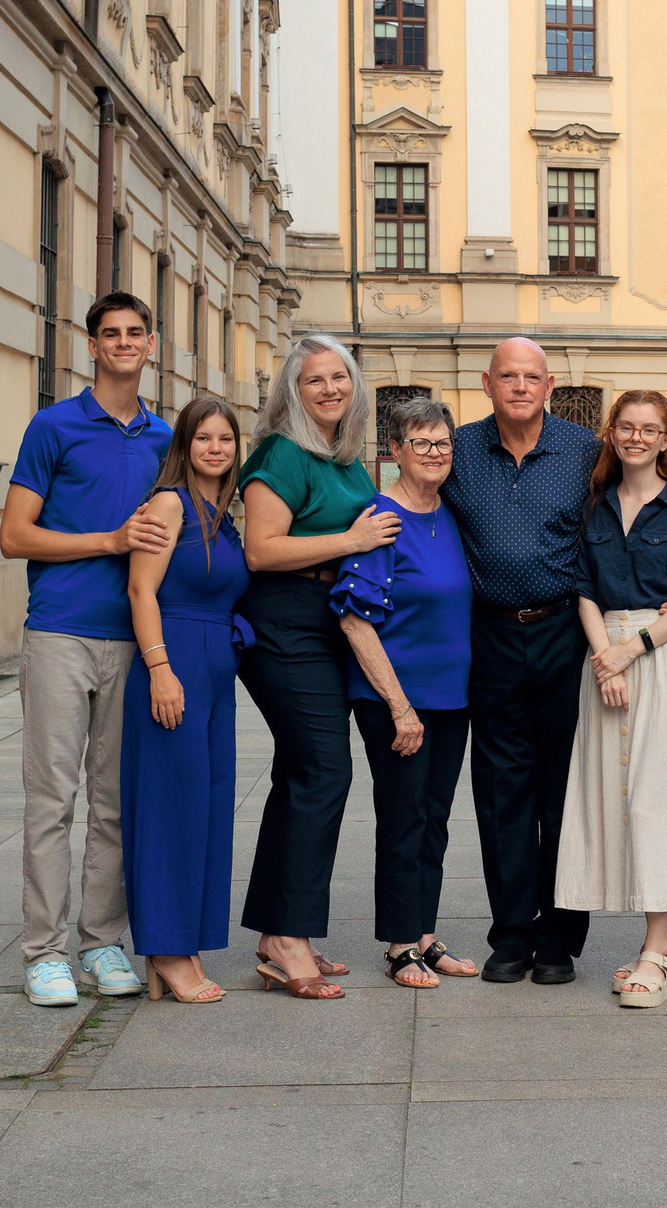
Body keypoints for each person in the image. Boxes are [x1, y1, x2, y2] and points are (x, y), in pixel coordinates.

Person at [0, 290, 167, 1008]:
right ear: (90, 344)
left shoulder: (164, 438)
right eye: (110, 333)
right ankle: (43, 951)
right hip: (61, 631)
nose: (123, 342)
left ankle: (100, 942)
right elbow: (14, 535)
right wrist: (107, 541)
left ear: (150, 344)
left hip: (132, 638)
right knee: (51, 799)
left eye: (135, 332)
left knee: (116, 801)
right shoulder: (53, 426)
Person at [557, 391, 667, 1009]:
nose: (636, 437)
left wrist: (630, 652)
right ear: (611, 434)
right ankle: (657, 948)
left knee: (658, 798)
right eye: (626, 427)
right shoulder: (596, 507)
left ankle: (658, 949)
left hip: (666, 658)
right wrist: (605, 656)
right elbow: (582, 585)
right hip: (604, 654)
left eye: (649, 429)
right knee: (616, 799)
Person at [234, 335, 396, 999]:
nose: (329, 388)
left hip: (322, 619)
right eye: (313, 380)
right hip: (280, 620)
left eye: (339, 377)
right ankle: (291, 937)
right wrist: (353, 540)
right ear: (292, 392)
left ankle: (279, 933)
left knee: (300, 772)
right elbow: (260, 550)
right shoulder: (281, 452)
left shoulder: (344, 457)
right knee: (325, 769)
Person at [440, 338, 602, 984]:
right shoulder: (458, 452)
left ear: (550, 384)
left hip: (564, 630)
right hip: (493, 637)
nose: (519, 386)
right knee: (502, 791)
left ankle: (559, 936)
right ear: (487, 383)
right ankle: (510, 932)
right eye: (507, 375)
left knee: (564, 788)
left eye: (531, 376)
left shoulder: (583, 451)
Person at [331, 399, 483, 988]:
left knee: (435, 818)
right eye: (420, 443)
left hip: (451, 697)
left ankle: (423, 933)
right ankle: (399, 945)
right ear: (393, 451)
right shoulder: (383, 518)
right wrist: (399, 706)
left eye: (443, 442)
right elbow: (354, 620)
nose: (435, 453)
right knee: (403, 817)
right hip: (398, 701)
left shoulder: (448, 514)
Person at [119, 395, 250, 1005]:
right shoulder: (170, 504)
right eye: (204, 439)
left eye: (225, 439)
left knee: (205, 806)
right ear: (184, 447)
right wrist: (160, 670)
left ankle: (185, 941)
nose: (215, 448)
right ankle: (167, 950)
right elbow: (141, 590)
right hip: (174, 665)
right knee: (171, 808)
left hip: (213, 673)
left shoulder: (222, 512)